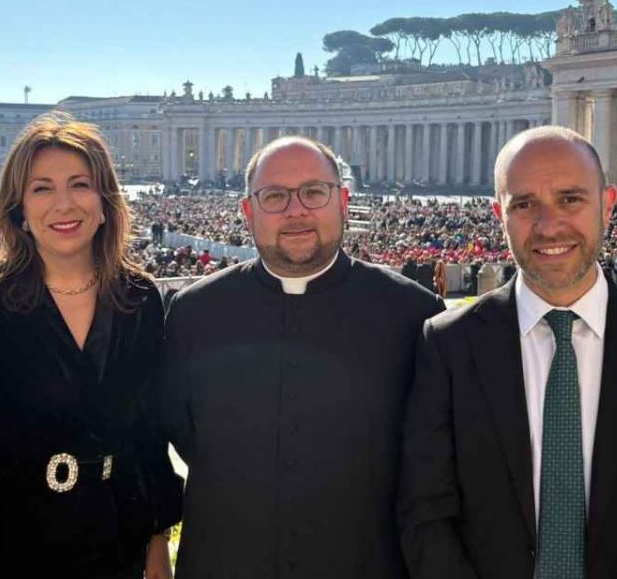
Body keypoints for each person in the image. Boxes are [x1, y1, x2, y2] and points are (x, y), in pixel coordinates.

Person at [399, 126, 617, 579]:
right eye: (525, 204)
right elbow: (426, 514)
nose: (549, 225)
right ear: (499, 214)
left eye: (570, 199)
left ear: (607, 205)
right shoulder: (447, 344)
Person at [0, 114, 183, 578]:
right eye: (42, 188)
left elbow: (148, 435)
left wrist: (156, 538)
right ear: (18, 208)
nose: (63, 204)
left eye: (80, 184)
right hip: (4, 541)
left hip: (114, 540)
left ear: (104, 202)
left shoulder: (139, 299)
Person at [160, 136, 445, 578]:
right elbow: (180, 432)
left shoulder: (414, 313)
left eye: (314, 192)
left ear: (343, 202)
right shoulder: (194, 311)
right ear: (248, 212)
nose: (296, 211)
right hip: (226, 559)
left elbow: (432, 463)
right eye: (274, 196)